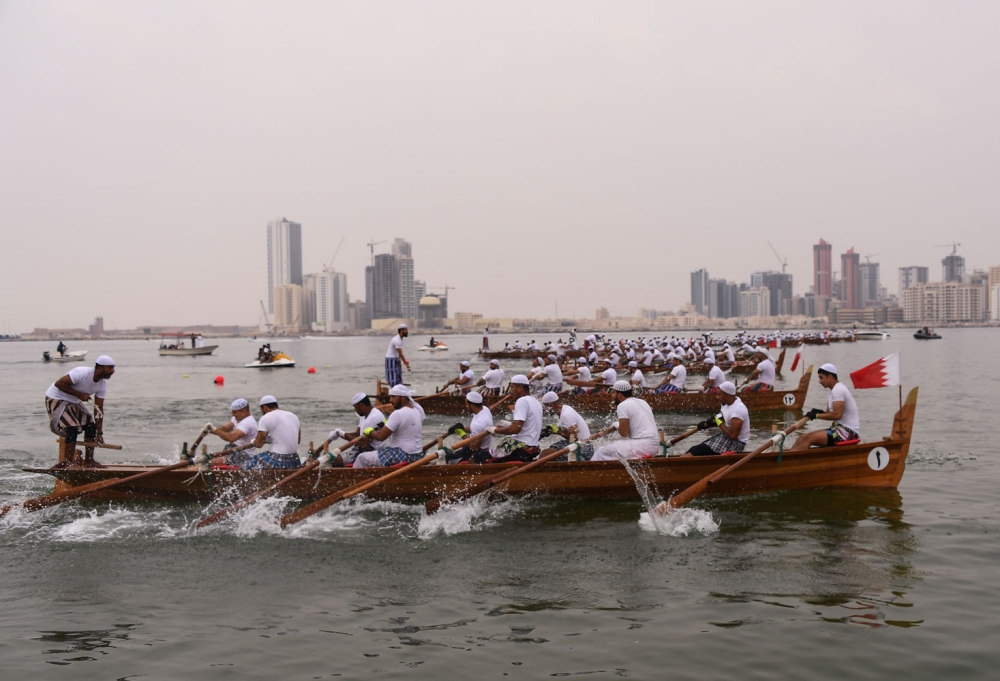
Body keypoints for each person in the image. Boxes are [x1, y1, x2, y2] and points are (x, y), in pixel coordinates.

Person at [44, 355, 116, 467]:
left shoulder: (102, 386)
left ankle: (89, 460)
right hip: (56, 397)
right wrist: (79, 394)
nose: (113, 371)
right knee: (71, 428)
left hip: (74, 401)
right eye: (110, 368)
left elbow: (99, 409)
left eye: (113, 368)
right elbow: (59, 384)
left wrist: (99, 433)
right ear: (100, 368)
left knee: (91, 426)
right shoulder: (82, 373)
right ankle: (68, 462)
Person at [790, 363, 861, 450]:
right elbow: (829, 413)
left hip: (847, 433)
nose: (819, 381)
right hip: (838, 429)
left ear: (830, 377)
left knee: (808, 438)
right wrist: (817, 412)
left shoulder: (838, 390)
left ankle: (797, 462)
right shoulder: (831, 391)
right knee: (801, 438)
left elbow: (837, 415)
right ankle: (787, 461)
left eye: (821, 378)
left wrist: (816, 416)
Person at [355, 384, 425, 467]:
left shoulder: (397, 414)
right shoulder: (416, 411)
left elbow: (381, 436)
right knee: (381, 452)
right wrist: (386, 424)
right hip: (417, 455)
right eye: (390, 397)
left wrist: (370, 431)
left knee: (361, 458)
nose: (391, 400)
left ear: (403, 397)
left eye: (393, 397)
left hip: (403, 455)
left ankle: (355, 479)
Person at [591, 381, 659, 461]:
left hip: (642, 446)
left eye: (613, 393)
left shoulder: (622, 405)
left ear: (619, 395)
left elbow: (624, 433)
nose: (612, 396)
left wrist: (616, 425)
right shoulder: (643, 402)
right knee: (614, 450)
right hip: (654, 445)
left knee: (601, 452)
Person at [489, 375, 543, 463]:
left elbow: (515, 429)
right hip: (532, 447)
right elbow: (527, 427)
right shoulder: (536, 402)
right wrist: (509, 425)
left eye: (512, 387)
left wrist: (495, 430)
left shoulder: (522, 401)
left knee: (480, 457)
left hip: (521, 448)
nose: (510, 391)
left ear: (520, 387)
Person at [685, 381, 749, 456]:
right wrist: (707, 423)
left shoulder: (738, 410)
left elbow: (733, 436)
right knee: (695, 449)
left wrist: (718, 422)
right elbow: (721, 416)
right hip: (726, 436)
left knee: (700, 450)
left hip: (736, 443)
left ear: (727, 395)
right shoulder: (725, 403)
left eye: (719, 395)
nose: (717, 397)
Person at [327, 392, 387, 466]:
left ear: (361, 405)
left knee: (335, 461)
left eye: (355, 407)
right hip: (361, 448)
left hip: (371, 450)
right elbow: (357, 435)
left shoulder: (374, 417)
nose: (355, 410)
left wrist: (342, 433)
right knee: (333, 458)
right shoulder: (364, 415)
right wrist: (339, 433)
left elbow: (363, 444)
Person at [245, 395, 301, 469]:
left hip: (278, 460)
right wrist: (268, 440)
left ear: (264, 408)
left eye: (261, 410)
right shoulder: (293, 416)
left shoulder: (265, 418)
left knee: (248, 465)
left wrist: (253, 442)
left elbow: (259, 444)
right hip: (294, 460)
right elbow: (298, 440)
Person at [539, 392, 594, 460]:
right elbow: (570, 432)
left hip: (584, 449)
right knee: (551, 450)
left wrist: (558, 431)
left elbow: (574, 438)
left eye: (546, 406)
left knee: (545, 453)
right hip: (582, 445)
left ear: (551, 404)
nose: (545, 409)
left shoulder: (566, 415)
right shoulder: (564, 409)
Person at [445, 392, 494, 463]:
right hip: (474, 448)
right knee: (449, 456)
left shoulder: (479, 423)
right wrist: (462, 428)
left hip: (476, 453)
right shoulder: (485, 409)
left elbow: (475, 447)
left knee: (448, 459)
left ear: (473, 406)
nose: (466, 406)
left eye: (467, 404)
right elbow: (475, 429)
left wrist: (462, 434)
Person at [208, 398, 258, 466]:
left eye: (234, 412)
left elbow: (231, 438)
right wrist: (210, 430)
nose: (232, 415)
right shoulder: (237, 418)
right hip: (233, 450)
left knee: (207, 463)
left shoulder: (248, 422)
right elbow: (225, 429)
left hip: (242, 456)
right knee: (207, 460)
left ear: (243, 411)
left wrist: (215, 430)